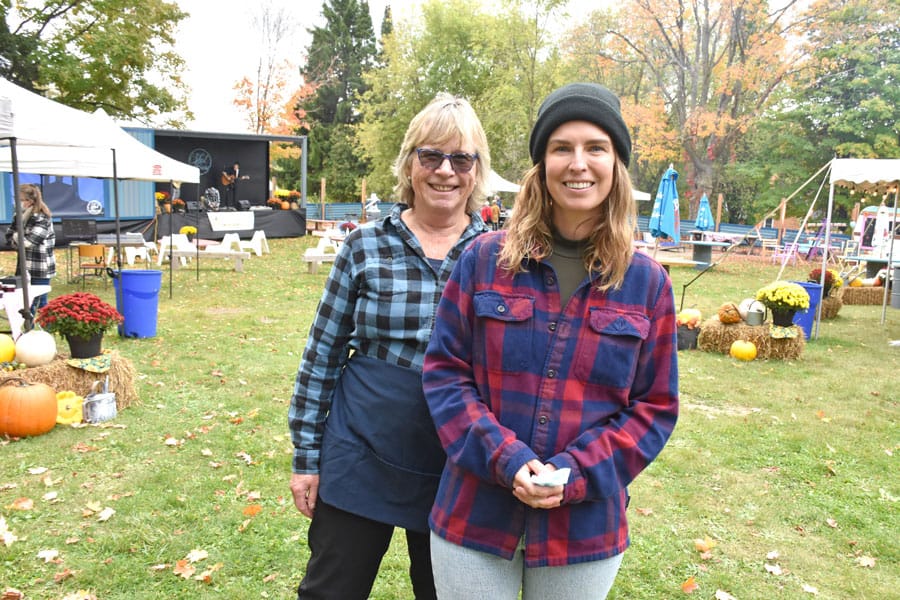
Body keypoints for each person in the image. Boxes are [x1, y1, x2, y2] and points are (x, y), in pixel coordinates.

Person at [422, 82, 680, 599]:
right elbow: (445, 374)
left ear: (617, 164)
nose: (578, 163)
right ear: (542, 164)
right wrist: (505, 457)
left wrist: (576, 471)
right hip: (475, 517)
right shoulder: (484, 261)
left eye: (596, 148)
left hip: (583, 531)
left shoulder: (648, 284)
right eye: (562, 147)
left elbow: (654, 408)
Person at [288, 93, 491, 600]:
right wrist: (306, 456)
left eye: (460, 158)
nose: (445, 171)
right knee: (331, 590)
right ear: (409, 163)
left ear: (476, 171)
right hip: (362, 447)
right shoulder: (364, 246)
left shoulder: (500, 256)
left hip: (457, 458)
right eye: (431, 156)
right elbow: (322, 357)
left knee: (446, 594)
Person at [4, 183, 56, 313]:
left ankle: (46, 330)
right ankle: (29, 330)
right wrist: (17, 238)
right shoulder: (19, 216)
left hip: (40, 267)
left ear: (30, 201)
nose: (17, 202)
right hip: (23, 266)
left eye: (20, 200)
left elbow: (30, 242)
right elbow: (9, 236)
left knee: (40, 303)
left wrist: (17, 237)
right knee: (24, 303)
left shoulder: (42, 217)